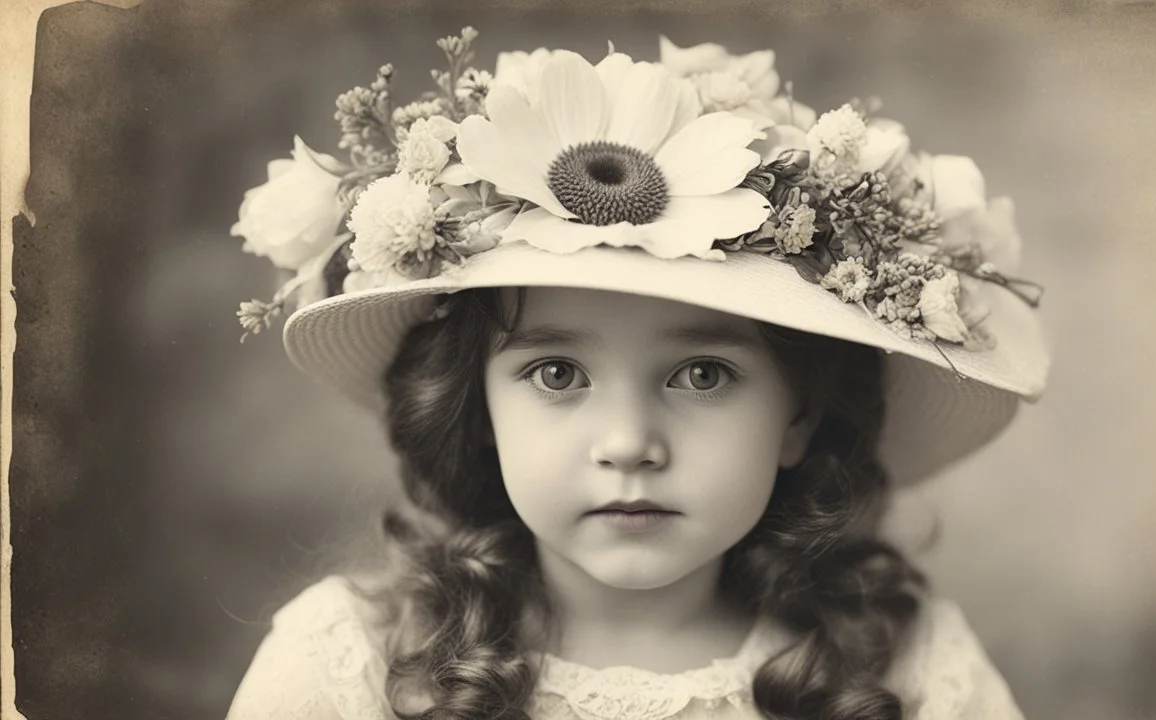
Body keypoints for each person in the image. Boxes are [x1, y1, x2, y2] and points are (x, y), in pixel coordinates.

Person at [224, 28, 1047, 720]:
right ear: (477, 406)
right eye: (555, 373)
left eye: (701, 376)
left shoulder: (903, 670)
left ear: (798, 417)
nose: (628, 444)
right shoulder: (354, 667)